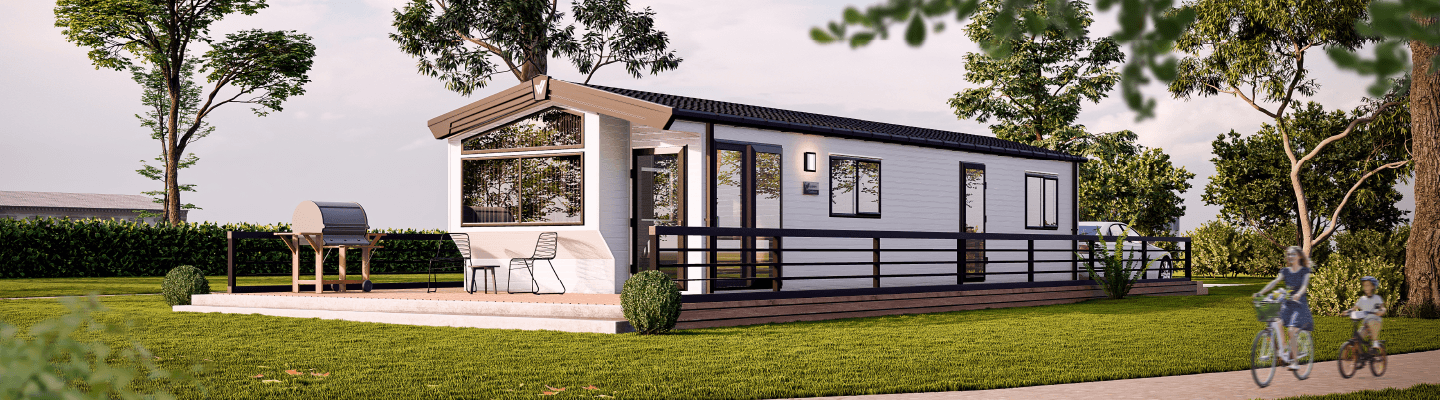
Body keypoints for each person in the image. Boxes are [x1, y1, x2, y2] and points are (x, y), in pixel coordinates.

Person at [1255, 246, 1314, 370]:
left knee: (1291, 330)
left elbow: (1304, 286)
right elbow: (1274, 282)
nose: (1290, 256)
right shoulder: (1285, 271)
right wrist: (1261, 292)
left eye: (1293, 254)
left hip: (1299, 304)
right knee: (1277, 321)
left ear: (1298, 256)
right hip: (1287, 303)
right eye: (1288, 254)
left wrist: (1298, 294)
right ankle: (1284, 347)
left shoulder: (1305, 271)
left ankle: (1295, 362)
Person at [1352, 276, 1387, 349]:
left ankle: (1375, 341)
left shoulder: (1377, 298)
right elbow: (1355, 308)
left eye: (1367, 285)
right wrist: (1347, 312)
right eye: (1364, 285)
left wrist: (1382, 311)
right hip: (1365, 325)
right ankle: (1358, 357)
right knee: (1356, 339)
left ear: (1373, 287)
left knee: (1371, 322)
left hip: (1375, 322)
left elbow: (1382, 307)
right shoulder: (1362, 299)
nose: (1365, 287)